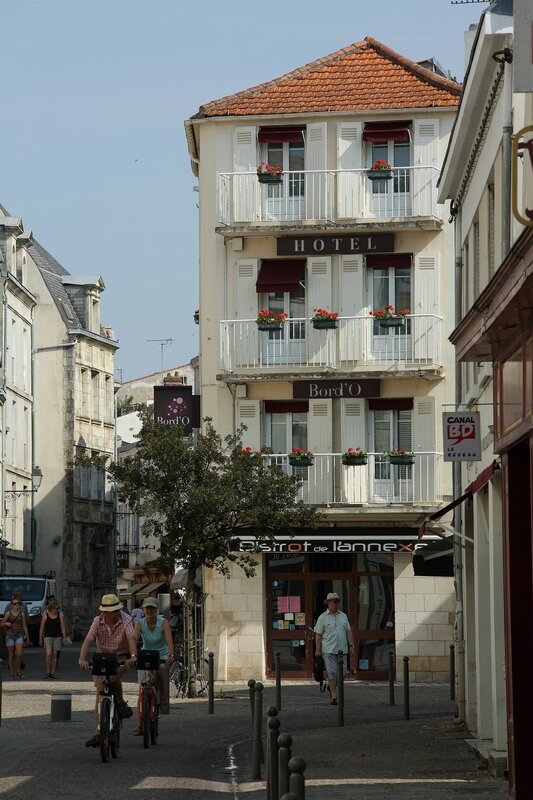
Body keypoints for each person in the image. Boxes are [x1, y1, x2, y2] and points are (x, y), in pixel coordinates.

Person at [79, 593, 137, 747]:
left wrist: (132, 656)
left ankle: (120, 702)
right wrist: (82, 659)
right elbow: (88, 640)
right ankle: (99, 732)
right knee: (100, 690)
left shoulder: (126, 619)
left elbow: (131, 638)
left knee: (114, 676)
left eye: (117, 610)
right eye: (112, 610)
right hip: (103, 655)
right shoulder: (97, 621)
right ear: (105, 611)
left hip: (121, 656)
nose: (115, 612)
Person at [132, 596, 174, 734]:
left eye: (152, 608)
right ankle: (139, 725)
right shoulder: (139, 623)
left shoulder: (163, 623)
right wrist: (133, 656)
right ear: (143, 610)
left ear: (156, 610)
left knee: (157, 670)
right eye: (147, 608)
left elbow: (169, 640)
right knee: (142, 689)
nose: (149, 611)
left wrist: (170, 655)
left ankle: (162, 696)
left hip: (161, 654)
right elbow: (134, 639)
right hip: (146, 654)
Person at [314, 592, 354, 706]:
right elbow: (318, 635)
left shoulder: (343, 616)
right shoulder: (322, 617)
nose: (336, 604)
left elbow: (348, 631)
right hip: (329, 650)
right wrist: (318, 649)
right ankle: (334, 697)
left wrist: (351, 645)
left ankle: (331, 687)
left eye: (338, 601)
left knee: (343, 673)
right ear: (328, 603)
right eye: (334, 601)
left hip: (342, 650)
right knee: (331, 673)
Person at [1, 594, 30, 678]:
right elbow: (1, 624)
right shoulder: (8, 613)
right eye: (15, 603)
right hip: (10, 636)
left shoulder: (22, 614)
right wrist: (6, 623)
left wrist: (27, 637)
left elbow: (24, 625)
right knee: (11, 656)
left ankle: (18, 671)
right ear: (11, 605)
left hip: (19, 635)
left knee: (19, 654)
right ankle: (12, 673)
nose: (17, 605)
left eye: (18, 603)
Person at [39, 598, 68, 678]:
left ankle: (52, 672)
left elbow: (62, 626)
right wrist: (40, 638)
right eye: (56, 608)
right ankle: (47, 672)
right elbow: (42, 627)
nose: (57, 610)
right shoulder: (45, 616)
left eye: (58, 608)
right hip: (48, 636)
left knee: (55, 655)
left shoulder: (60, 615)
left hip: (57, 637)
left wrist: (64, 636)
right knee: (48, 654)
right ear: (51, 608)